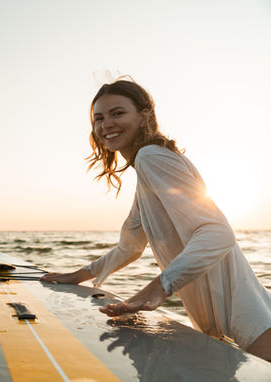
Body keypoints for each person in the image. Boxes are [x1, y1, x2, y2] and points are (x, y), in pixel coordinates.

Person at [40, 78, 271, 361]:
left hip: (251, 320)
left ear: (144, 116)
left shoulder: (152, 158)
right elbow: (131, 246)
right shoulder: (148, 165)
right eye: (98, 118)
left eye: (118, 113)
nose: (106, 124)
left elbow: (218, 232)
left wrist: (158, 288)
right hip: (238, 318)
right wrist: (79, 275)